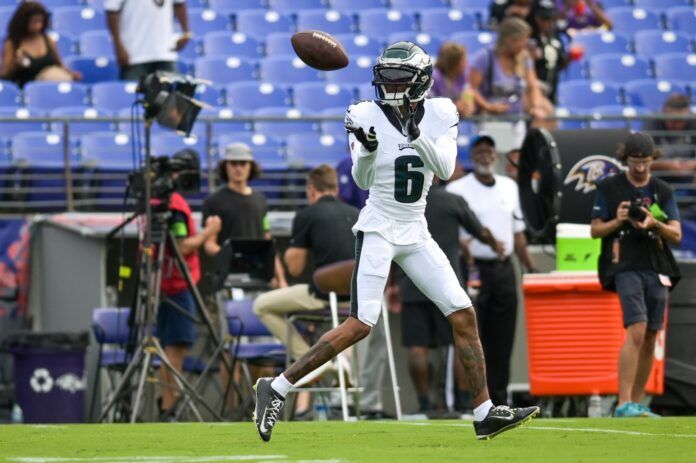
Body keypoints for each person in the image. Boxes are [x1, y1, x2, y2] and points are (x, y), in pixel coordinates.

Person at [253, 41, 539, 442]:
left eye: (401, 80)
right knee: (360, 324)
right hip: (379, 227)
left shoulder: (442, 112)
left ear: (421, 82)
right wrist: (369, 150)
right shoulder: (362, 113)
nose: (391, 88)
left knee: (462, 313)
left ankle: (484, 412)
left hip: (415, 229)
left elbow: (444, 167)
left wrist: (414, 132)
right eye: (386, 79)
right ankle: (277, 387)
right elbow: (363, 179)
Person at [590, 132, 682, 418]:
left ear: (652, 160)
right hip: (624, 264)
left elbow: (676, 234)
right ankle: (623, 402)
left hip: (656, 265)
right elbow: (595, 230)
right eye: (634, 162)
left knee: (652, 334)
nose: (640, 168)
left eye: (644, 162)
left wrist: (655, 223)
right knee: (637, 329)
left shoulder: (663, 190)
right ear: (625, 160)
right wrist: (618, 220)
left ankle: (637, 402)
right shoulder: (609, 188)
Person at [398, 178, 504, 413]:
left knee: (417, 347)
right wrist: (495, 245)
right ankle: (466, 402)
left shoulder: (407, 201)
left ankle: (424, 405)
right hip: (443, 281)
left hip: (411, 283)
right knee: (460, 342)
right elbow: (480, 230)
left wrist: (393, 284)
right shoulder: (452, 200)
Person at [446, 134, 537, 406]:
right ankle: (468, 400)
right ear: (472, 157)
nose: (485, 155)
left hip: (503, 269)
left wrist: (530, 267)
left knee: (503, 337)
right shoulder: (458, 190)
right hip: (473, 269)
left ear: (495, 155)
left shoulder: (509, 187)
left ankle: (500, 398)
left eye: (489, 150)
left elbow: (517, 232)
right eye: (479, 151)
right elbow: (452, 232)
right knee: (471, 334)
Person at [252, 165, 358, 381]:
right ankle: (338, 363)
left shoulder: (307, 214)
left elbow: (295, 268)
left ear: (311, 189)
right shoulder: (357, 213)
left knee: (261, 305)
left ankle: (312, 360)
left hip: (324, 296)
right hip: (357, 300)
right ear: (336, 188)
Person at [156, 149, 221, 414]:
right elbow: (182, 247)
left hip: (165, 285)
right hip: (176, 287)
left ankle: (167, 405)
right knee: (175, 350)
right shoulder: (174, 203)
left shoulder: (162, 200)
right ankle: (169, 408)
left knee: (172, 348)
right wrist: (210, 232)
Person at [202, 142, 287, 288]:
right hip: (227, 277)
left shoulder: (260, 200)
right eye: (233, 163)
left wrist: (281, 279)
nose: (238, 168)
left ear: (251, 166)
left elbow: (267, 241)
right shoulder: (213, 201)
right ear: (225, 166)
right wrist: (233, 258)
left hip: (259, 275)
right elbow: (209, 244)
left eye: (243, 163)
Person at [468, 17, 554, 129]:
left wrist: (536, 107)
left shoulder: (524, 59)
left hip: (517, 120)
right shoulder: (485, 57)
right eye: (522, 40)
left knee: (546, 109)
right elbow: (471, 88)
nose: (524, 45)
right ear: (509, 40)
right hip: (491, 119)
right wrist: (489, 106)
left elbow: (533, 87)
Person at [105, 0, 191, 82]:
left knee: (170, 95)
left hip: (166, 52)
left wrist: (186, 32)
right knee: (135, 95)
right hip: (134, 55)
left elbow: (179, 4)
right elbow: (111, 12)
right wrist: (118, 45)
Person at [1, 1, 81, 87]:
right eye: (33, 22)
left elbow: (60, 65)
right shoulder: (12, 44)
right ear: (23, 22)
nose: (38, 26)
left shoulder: (48, 40)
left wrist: (72, 74)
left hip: (53, 86)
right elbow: (4, 74)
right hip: (30, 91)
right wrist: (15, 65)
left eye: (40, 21)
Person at [528, 0, 570, 104]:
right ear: (535, 17)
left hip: (552, 88)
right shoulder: (528, 36)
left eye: (551, 18)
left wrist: (570, 57)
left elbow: (560, 65)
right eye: (544, 18)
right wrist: (528, 57)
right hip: (532, 90)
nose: (548, 22)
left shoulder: (554, 35)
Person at [643, 93, 696, 168]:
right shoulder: (652, 123)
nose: (677, 125)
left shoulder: (693, 121)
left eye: (681, 121)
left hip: (689, 174)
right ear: (664, 112)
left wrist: (692, 165)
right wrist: (667, 165)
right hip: (659, 175)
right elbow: (643, 160)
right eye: (673, 120)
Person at [431, 42, 475, 118]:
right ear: (453, 62)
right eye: (463, 60)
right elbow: (429, 105)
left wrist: (469, 106)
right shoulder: (434, 77)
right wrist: (453, 107)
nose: (467, 63)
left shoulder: (463, 76)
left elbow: (467, 93)